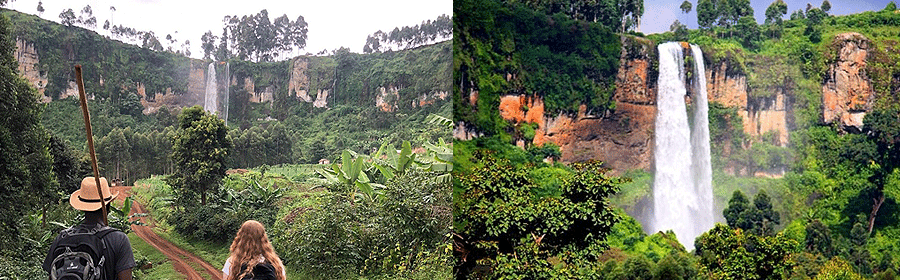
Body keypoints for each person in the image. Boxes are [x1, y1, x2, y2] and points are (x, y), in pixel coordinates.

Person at [43, 177, 134, 280]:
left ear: (82, 207)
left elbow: (52, 275)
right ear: (108, 206)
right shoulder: (119, 240)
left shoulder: (62, 237)